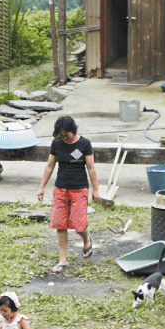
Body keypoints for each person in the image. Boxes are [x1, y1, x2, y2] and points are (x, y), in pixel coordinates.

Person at [38, 113, 98, 272]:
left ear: (74, 130)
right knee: (60, 224)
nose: (65, 138)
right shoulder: (56, 144)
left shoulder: (85, 144)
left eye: (67, 135)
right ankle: (62, 260)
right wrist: (42, 186)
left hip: (79, 188)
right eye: (61, 135)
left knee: (79, 225)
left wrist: (96, 189)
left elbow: (91, 168)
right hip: (61, 188)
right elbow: (50, 166)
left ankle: (86, 239)